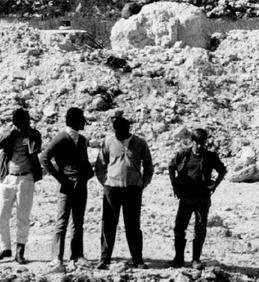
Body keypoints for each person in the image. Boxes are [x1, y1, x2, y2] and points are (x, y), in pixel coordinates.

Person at [94, 111, 153, 269]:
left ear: (128, 128)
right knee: (108, 225)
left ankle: (137, 259)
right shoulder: (107, 142)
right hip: (112, 189)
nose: (118, 134)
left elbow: (148, 165)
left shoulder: (140, 142)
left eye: (121, 131)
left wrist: (143, 183)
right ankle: (105, 259)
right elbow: (100, 165)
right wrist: (105, 182)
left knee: (133, 225)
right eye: (116, 131)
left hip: (133, 190)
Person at [40, 106, 93, 270]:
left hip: (80, 184)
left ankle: (77, 255)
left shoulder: (82, 140)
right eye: (82, 118)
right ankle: (56, 257)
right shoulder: (61, 138)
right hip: (67, 185)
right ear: (75, 121)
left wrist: (86, 176)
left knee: (78, 221)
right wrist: (61, 178)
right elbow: (44, 158)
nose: (84, 122)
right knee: (62, 221)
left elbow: (84, 161)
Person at [167, 128, 227, 267]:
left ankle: (196, 259)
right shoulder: (183, 154)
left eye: (202, 143)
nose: (200, 146)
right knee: (179, 228)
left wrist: (214, 186)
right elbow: (171, 166)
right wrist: (174, 185)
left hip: (202, 198)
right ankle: (179, 259)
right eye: (197, 142)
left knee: (200, 228)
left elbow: (222, 170)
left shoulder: (211, 156)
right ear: (192, 141)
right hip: (186, 197)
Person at [0, 108, 43, 264]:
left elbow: (36, 148)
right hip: (8, 178)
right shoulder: (9, 133)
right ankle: (5, 247)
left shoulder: (33, 134)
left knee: (23, 217)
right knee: (1, 214)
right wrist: (11, 132)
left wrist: (27, 136)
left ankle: (20, 250)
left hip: (25, 178)